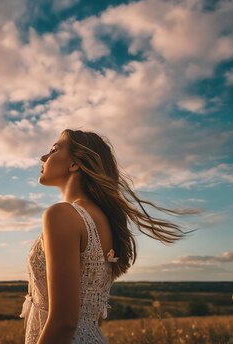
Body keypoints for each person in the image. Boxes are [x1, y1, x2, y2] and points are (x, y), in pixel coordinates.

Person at [20, 129, 198, 343]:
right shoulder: (102, 220)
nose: (43, 157)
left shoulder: (61, 215)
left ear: (75, 163)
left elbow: (64, 322)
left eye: (54, 149)